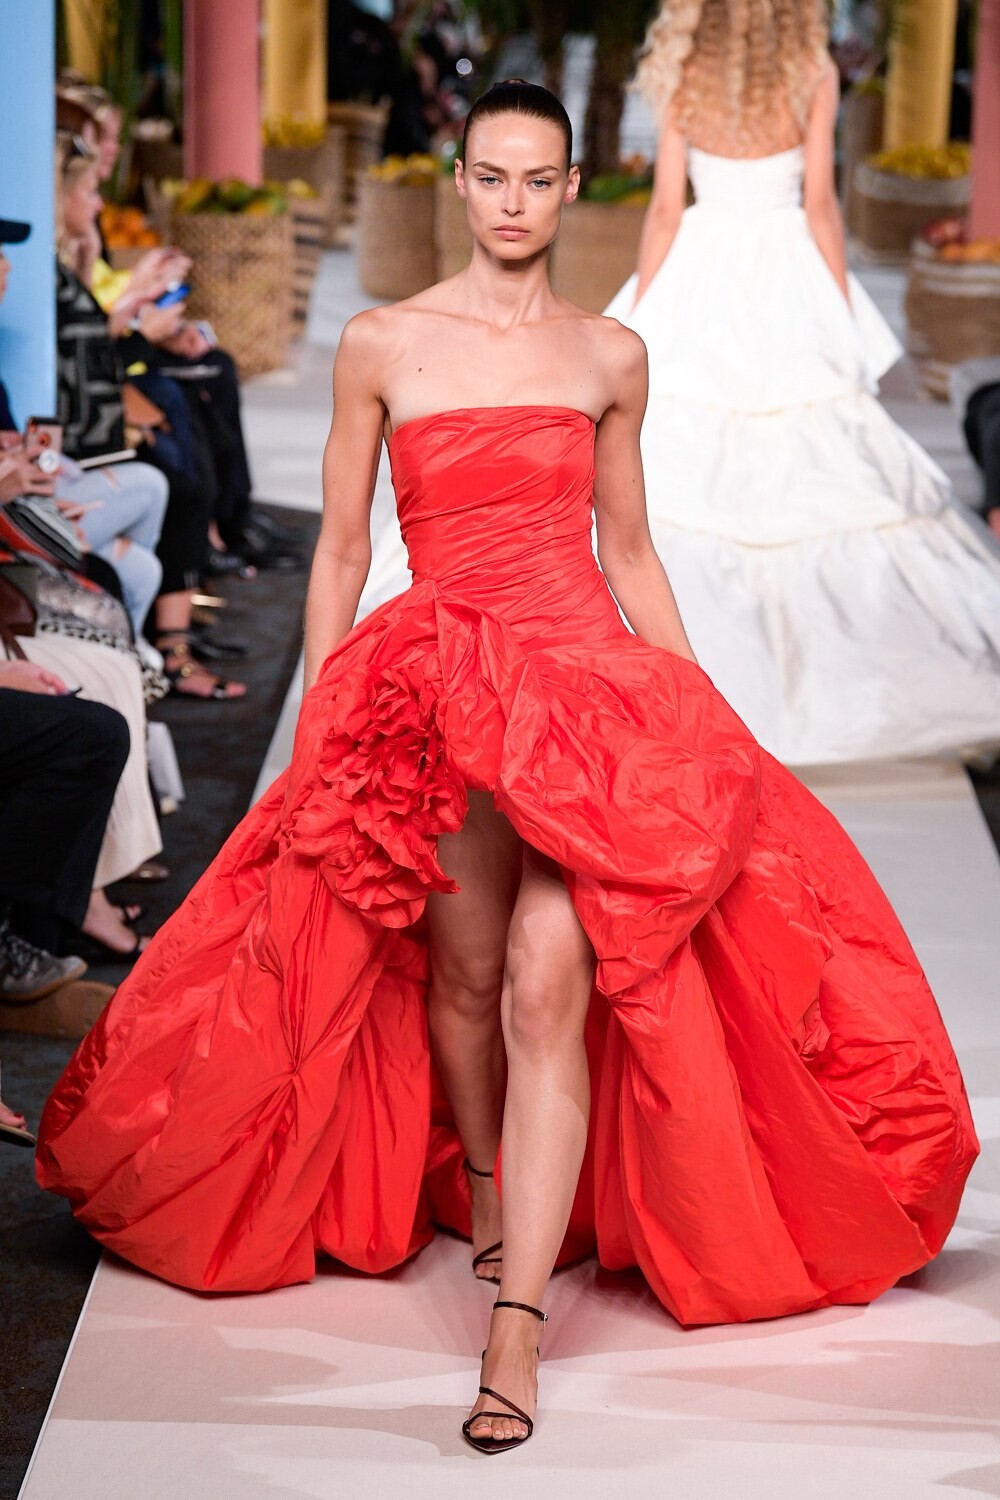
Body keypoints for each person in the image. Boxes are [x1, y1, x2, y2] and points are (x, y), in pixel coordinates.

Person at [38, 84, 977, 1454]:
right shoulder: (383, 341)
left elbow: (628, 549)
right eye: (493, 177)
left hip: (582, 699)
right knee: (466, 976)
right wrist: (322, 720)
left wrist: (700, 718)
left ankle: (516, 1326)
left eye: (540, 180)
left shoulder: (609, 353)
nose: (516, 202)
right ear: (462, 180)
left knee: (549, 977)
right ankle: (487, 1183)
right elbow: (343, 547)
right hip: (439, 692)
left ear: (571, 186)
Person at [600, 0, 1000, 766]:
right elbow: (820, 204)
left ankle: (688, 679)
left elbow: (666, 211)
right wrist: (840, 311)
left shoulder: (683, 68)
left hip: (702, 269)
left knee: (673, 470)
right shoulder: (812, 71)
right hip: (787, 267)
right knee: (817, 464)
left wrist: (640, 318)